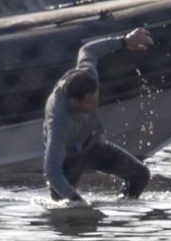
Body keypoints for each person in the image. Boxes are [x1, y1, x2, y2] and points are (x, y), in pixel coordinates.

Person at [43, 27, 155, 204]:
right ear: (74, 102)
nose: (96, 104)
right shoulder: (59, 123)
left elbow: (87, 50)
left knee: (140, 175)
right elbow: (51, 171)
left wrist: (124, 40)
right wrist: (76, 200)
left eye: (96, 97)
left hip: (94, 146)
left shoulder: (88, 75)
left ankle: (123, 211)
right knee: (63, 205)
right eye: (90, 102)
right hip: (69, 158)